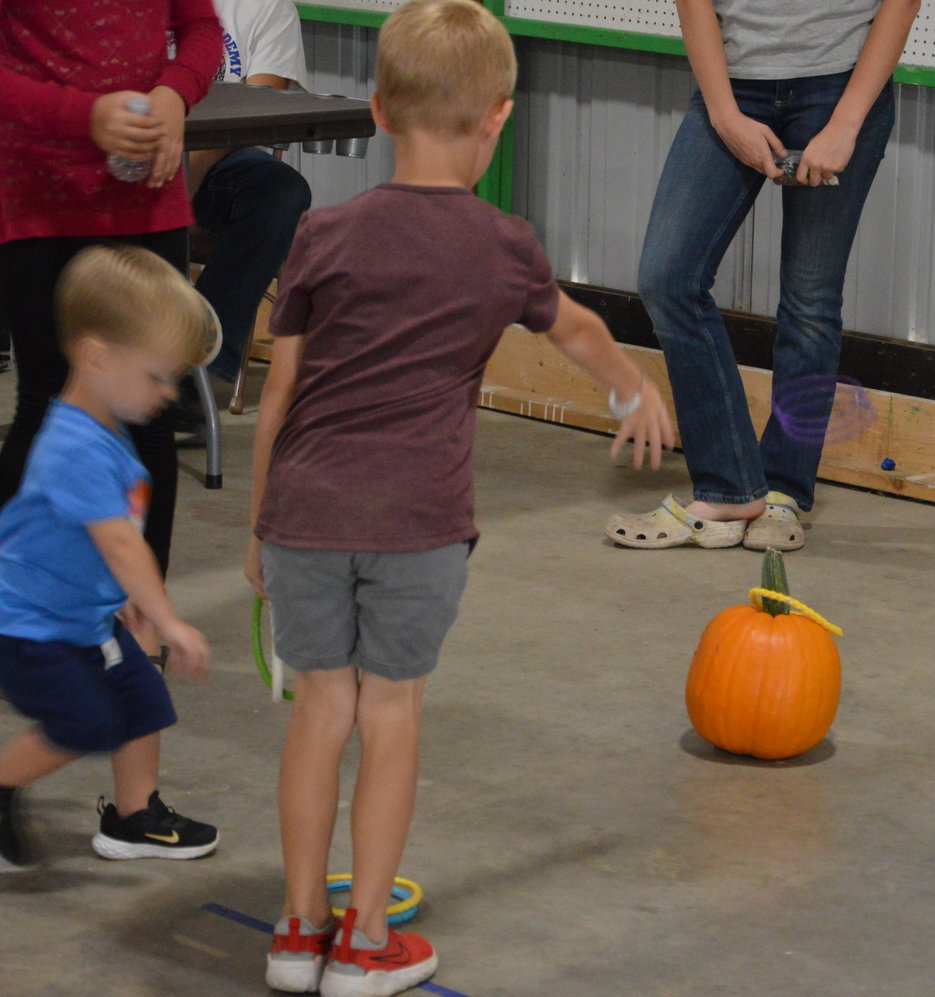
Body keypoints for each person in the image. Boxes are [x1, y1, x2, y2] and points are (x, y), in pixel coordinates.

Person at [244, 3, 672, 992]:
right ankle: (361, 946)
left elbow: (277, 396)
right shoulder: (503, 245)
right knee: (390, 710)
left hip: (305, 508)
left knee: (319, 708)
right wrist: (630, 389)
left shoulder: (321, 233)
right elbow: (573, 329)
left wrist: (263, 525)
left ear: (381, 109)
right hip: (420, 522)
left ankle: (298, 928)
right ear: (498, 118)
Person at [607, 0, 920, 552]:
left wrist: (847, 124)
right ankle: (730, 488)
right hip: (732, 89)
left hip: (840, 91)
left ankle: (784, 490)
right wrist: (726, 117)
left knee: (810, 303)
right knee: (668, 279)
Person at [0, 247, 218, 870]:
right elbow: (121, 542)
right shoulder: (74, 446)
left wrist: (123, 600)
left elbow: (98, 540)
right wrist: (168, 618)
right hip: (28, 629)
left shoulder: (105, 429)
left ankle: (133, 816)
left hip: (81, 619)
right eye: (156, 376)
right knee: (85, 723)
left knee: (142, 699)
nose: (168, 393)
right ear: (96, 358)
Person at [0, 0, 223, 581]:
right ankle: (17, 611)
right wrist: (82, 115)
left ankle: (142, 622)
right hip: (36, 193)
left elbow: (200, 27)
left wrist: (175, 93)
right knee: (46, 401)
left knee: (150, 413)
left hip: (145, 190)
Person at [186, 0, 312, 392]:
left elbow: (252, 114)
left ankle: (196, 366)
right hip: (130, 150)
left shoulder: (268, 7)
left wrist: (187, 178)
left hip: (209, 160)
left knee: (282, 193)